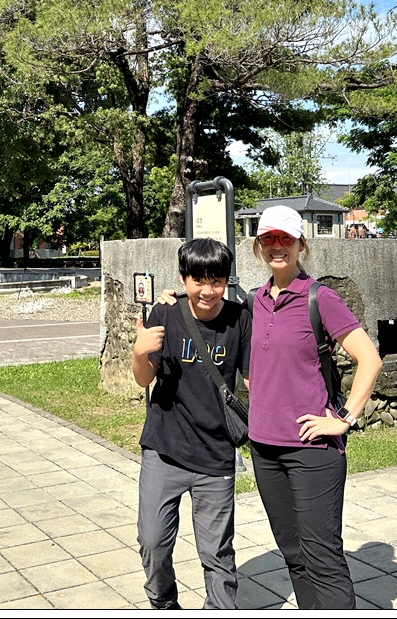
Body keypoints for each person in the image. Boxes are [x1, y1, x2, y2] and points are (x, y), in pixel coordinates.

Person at [248, 205, 382, 610]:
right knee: (293, 553)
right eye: (268, 238)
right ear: (258, 246)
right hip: (263, 447)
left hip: (312, 450)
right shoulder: (252, 301)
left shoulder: (320, 298)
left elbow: (370, 359)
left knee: (322, 555)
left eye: (285, 238)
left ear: (300, 245)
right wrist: (170, 298)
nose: (277, 246)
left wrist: (344, 419)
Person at [132, 238, 251, 610]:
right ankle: (163, 601)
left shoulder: (239, 318)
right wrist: (139, 350)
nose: (207, 290)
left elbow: (253, 381)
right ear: (183, 279)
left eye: (216, 280)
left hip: (215, 454)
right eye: (198, 280)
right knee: (152, 542)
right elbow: (142, 379)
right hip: (164, 449)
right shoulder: (165, 313)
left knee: (217, 552)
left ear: (226, 280)